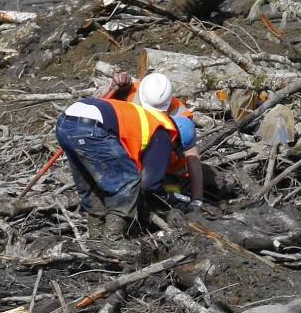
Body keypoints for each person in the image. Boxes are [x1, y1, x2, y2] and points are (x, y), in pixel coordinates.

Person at [55, 94, 196, 252]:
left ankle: (96, 234)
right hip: (91, 129)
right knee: (128, 181)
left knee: (90, 181)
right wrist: (166, 207)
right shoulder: (163, 134)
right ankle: (112, 238)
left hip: (66, 122)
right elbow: (149, 184)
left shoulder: (148, 119)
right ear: (178, 142)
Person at [104, 71, 205, 209]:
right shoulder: (133, 91)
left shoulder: (181, 118)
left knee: (163, 197)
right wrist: (114, 88)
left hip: (170, 172)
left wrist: (197, 199)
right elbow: (101, 105)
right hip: (138, 162)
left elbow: (192, 158)